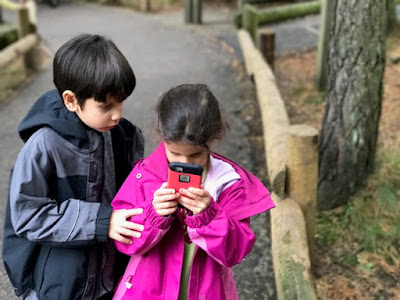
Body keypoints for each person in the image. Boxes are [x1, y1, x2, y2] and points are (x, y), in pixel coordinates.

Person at [2, 34, 146, 300]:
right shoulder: (43, 146)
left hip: (110, 278)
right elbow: (28, 215)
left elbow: (135, 194)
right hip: (61, 285)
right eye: (106, 106)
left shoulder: (122, 136)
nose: (118, 114)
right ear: (71, 100)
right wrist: (103, 221)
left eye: (121, 102)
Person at [111, 83, 275, 300]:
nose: (184, 162)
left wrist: (209, 216)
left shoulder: (227, 183)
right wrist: (153, 214)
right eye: (174, 153)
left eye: (196, 154)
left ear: (212, 139)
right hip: (147, 291)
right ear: (162, 137)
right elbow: (124, 241)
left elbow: (236, 251)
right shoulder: (144, 176)